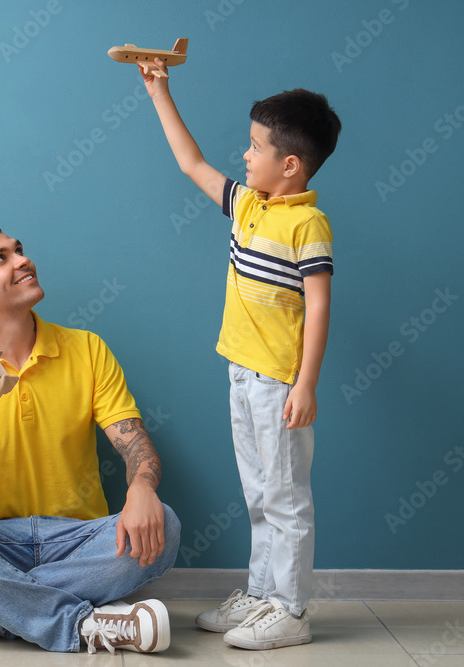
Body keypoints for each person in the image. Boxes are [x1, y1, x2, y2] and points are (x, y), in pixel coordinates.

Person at [0, 224, 180, 654]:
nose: (23, 260)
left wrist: (142, 486)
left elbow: (132, 442)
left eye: (18, 250)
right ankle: (79, 624)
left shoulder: (86, 349)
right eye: (1, 258)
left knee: (166, 525)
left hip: (79, 542)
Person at [137, 58, 340, 650]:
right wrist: (159, 91)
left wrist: (307, 384)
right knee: (257, 493)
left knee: (285, 497)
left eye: (255, 147)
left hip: (279, 383)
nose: (244, 156)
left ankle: (292, 610)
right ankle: (259, 593)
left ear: (291, 165)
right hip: (242, 374)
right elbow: (190, 162)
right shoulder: (248, 204)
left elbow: (321, 306)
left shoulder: (309, 224)